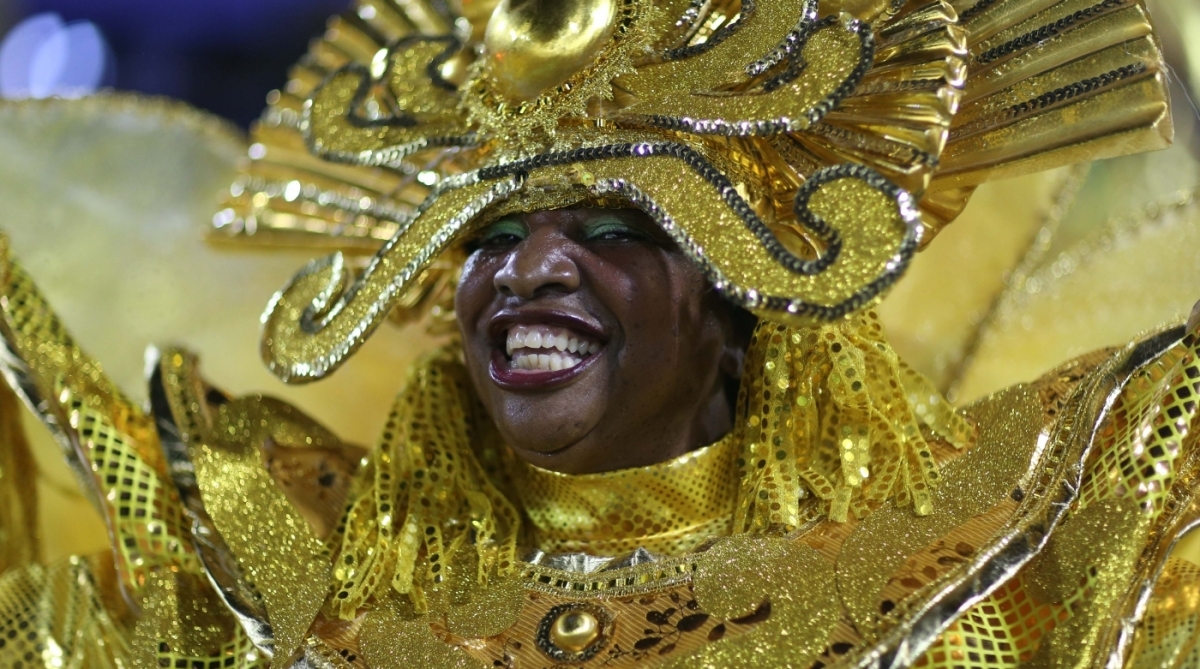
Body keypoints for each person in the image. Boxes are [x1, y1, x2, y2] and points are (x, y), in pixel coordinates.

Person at [1, 0, 1199, 667]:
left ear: (745, 307)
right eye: (489, 231)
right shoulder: (306, 588)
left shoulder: (937, 596)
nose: (525, 270)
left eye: (618, 225)